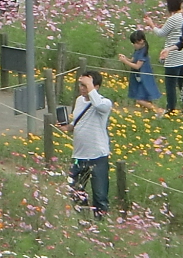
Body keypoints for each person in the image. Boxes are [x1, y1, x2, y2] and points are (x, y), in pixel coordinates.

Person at [67, 68, 113, 217]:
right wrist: (67, 126)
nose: (82, 88)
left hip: (97, 156)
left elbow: (98, 106)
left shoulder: (105, 103)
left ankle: (101, 221)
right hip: (79, 154)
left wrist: (90, 86)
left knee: (100, 194)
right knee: (74, 189)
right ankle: (84, 217)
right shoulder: (79, 101)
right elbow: (77, 121)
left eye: (85, 85)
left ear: (96, 87)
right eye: (81, 85)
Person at [153, 0, 183, 113]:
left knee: (170, 85)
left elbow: (161, 33)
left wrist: (151, 25)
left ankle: (171, 109)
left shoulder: (173, 19)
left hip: (172, 56)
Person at [121, 30, 161, 109]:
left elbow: (137, 66)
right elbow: (133, 60)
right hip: (138, 78)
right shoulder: (137, 50)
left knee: (140, 99)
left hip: (144, 77)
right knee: (144, 97)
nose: (134, 45)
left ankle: (158, 110)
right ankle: (151, 113)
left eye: (135, 43)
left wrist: (125, 62)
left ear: (141, 41)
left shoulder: (143, 52)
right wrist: (125, 58)